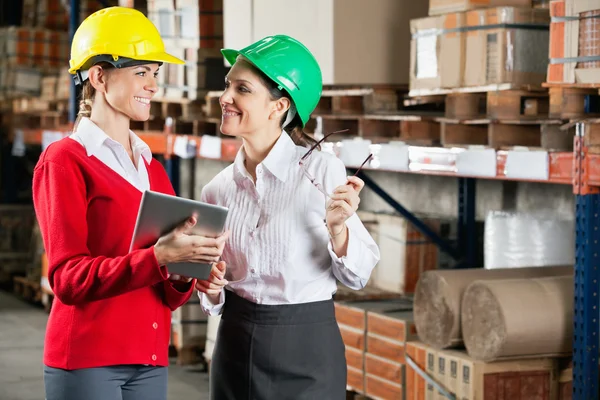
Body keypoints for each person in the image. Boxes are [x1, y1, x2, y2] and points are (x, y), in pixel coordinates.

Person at [32, 7, 229, 400]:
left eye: (156, 74)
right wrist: (157, 258)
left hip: (150, 359)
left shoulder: (151, 168)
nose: (153, 86)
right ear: (99, 76)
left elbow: (166, 291)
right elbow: (68, 279)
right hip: (88, 359)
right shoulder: (65, 160)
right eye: (142, 72)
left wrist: (187, 270)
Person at [194, 34, 381, 399]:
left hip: (307, 350)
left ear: (278, 106)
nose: (225, 97)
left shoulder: (322, 171)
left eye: (242, 89)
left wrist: (338, 229)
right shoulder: (217, 190)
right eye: (228, 85)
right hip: (235, 344)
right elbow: (213, 297)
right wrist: (211, 288)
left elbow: (358, 276)